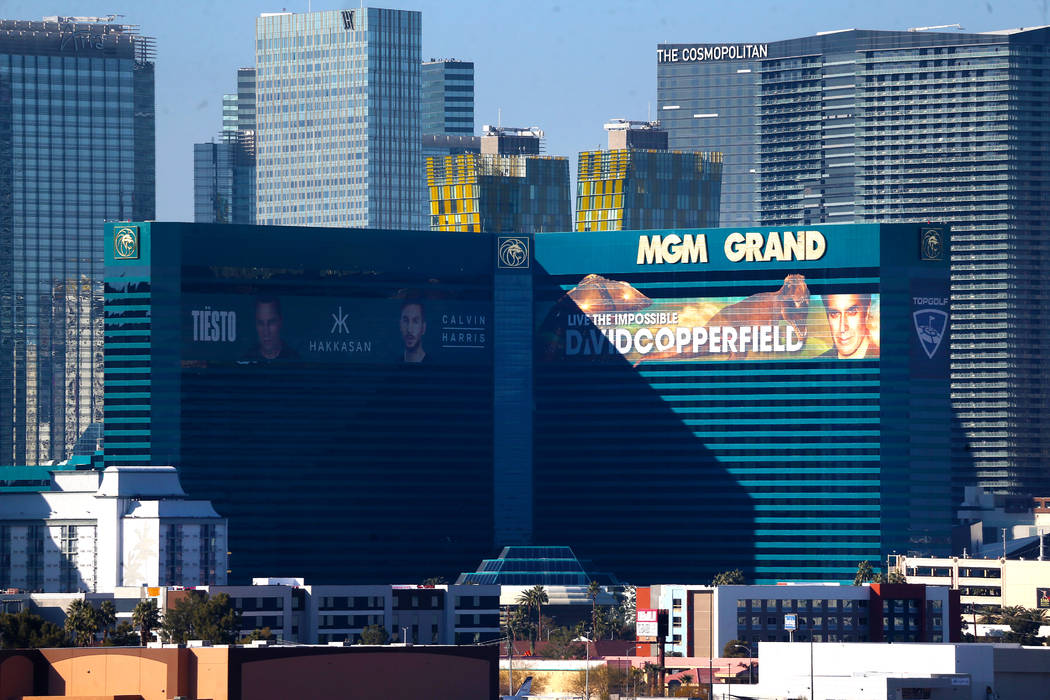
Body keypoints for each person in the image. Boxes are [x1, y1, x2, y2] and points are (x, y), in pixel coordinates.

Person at [821, 293, 879, 359]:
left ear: (867, 310)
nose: (842, 328)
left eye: (851, 312)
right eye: (834, 313)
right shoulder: (817, 366)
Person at [242, 296, 298, 360]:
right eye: (261, 323)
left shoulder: (294, 360)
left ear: (280, 322)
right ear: (255, 325)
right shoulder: (247, 361)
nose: (266, 332)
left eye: (271, 322)